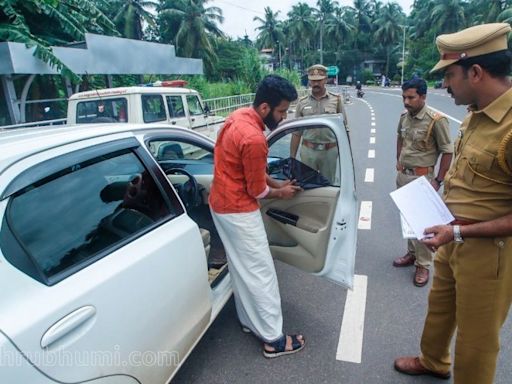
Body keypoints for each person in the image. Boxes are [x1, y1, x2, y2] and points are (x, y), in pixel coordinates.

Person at [394, 23, 512, 384]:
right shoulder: (477, 113)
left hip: (487, 251)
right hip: (450, 237)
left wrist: (458, 231)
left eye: (450, 75)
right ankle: (434, 361)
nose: (445, 85)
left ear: (475, 72)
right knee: (440, 310)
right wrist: (451, 230)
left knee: (477, 339)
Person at [209, 75, 305, 358]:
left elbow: (247, 170)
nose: (283, 116)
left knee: (241, 268)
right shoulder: (254, 138)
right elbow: (256, 189)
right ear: (265, 108)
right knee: (261, 272)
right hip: (239, 210)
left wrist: (276, 183)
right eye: (281, 111)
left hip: (220, 204)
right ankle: (273, 339)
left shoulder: (237, 118)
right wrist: (281, 193)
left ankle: (250, 322)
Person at [393, 77, 453, 287]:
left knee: (422, 224)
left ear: (423, 97)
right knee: (408, 220)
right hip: (404, 176)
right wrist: (398, 160)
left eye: (411, 97)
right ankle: (411, 254)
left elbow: (447, 151)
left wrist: (438, 180)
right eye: (404, 97)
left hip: (422, 179)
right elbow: (400, 138)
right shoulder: (404, 117)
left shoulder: (436, 120)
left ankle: (423, 265)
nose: (406, 102)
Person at [290, 64, 349, 183]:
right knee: (307, 186)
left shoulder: (336, 100)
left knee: (328, 186)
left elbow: (344, 128)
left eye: (319, 81)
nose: (315, 84)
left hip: (329, 152)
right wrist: (292, 158)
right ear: (309, 81)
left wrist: (346, 155)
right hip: (308, 152)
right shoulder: (302, 103)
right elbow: (296, 133)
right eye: (313, 81)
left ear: (325, 80)